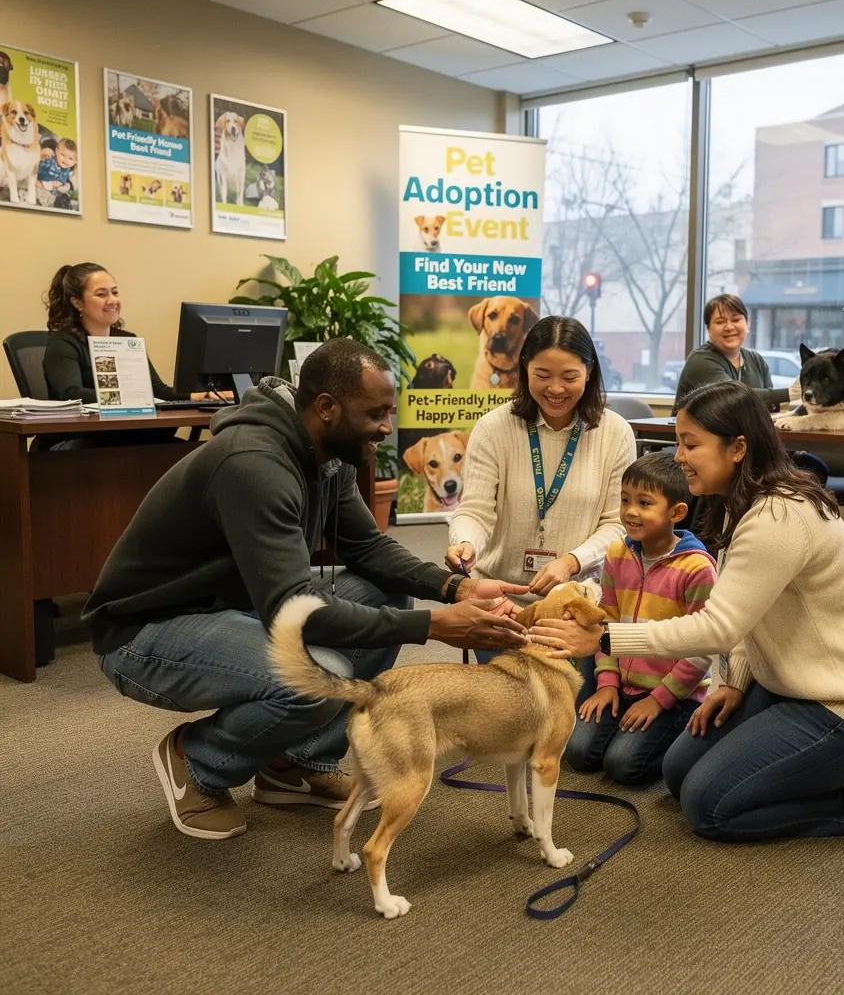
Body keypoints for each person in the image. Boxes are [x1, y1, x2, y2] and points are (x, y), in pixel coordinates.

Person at [83, 338, 530, 841]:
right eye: (376, 413)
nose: (387, 428)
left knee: (387, 593)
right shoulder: (254, 465)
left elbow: (368, 548)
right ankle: (197, 761)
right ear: (326, 407)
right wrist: (433, 627)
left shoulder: (327, 453)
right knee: (319, 676)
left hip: (235, 604)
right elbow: (294, 610)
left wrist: (455, 588)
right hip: (145, 630)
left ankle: (291, 763)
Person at [530, 380, 844, 841]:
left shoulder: (779, 517)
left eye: (690, 444)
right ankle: (822, 769)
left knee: (710, 808)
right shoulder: (739, 504)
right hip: (787, 682)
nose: (679, 456)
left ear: (738, 447)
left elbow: (718, 627)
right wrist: (735, 683)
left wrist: (604, 639)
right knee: (679, 774)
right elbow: (744, 614)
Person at [446, 315, 635, 668]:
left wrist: (571, 561)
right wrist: (467, 542)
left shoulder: (615, 433)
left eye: (569, 377)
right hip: (502, 599)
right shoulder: (492, 429)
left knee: (571, 712)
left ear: (590, 372)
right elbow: (475, 510)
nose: (556, 389)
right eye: (543, 376)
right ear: (524, 369)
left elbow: (617, 524)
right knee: (511, 705)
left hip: (575, 603)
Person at [563, 451, 716, 786]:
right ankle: (626, 726)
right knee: (578, 753)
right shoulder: (617, 553)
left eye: (645, 503)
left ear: (676, 512)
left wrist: (657, 701)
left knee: (623, 766)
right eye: (625, 500)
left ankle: (685, 740)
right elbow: (606, 622)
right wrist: (606, 684)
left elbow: (702, 648)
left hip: (672, 693)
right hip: (621, 680)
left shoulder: (697, 569)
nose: (630, 511)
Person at [43, 262, 218, 404]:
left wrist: (202, 396)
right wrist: (132, 398)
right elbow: (70, 393)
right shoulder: (64, 343)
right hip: (79, 439)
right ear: (77, 303)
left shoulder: (127, 340)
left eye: (115, 292)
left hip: (127, 432)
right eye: (101, 294)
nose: (112, 300)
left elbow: (156, 390)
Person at [671, 295, 791, 415]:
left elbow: (769, 407)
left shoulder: (756, 360)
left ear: (748, 324)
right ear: (709, 330)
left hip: (746, 433)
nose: (729, 327)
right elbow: (732, 397)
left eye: (736, 320)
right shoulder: (700, 360)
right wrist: (791, 393)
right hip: (697, 433)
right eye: (720, 322)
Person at [34, 138, 77, 208]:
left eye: (70, 158)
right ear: (56, 151)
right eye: (62, 155)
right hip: (42, 184)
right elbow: (37, 171)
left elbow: (67, 182)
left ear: (75, 161)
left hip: (56, 192)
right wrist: (49, 184)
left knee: (63, 195)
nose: (66, 160)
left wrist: (66, 186)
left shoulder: (68, 169)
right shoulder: (50, 161)